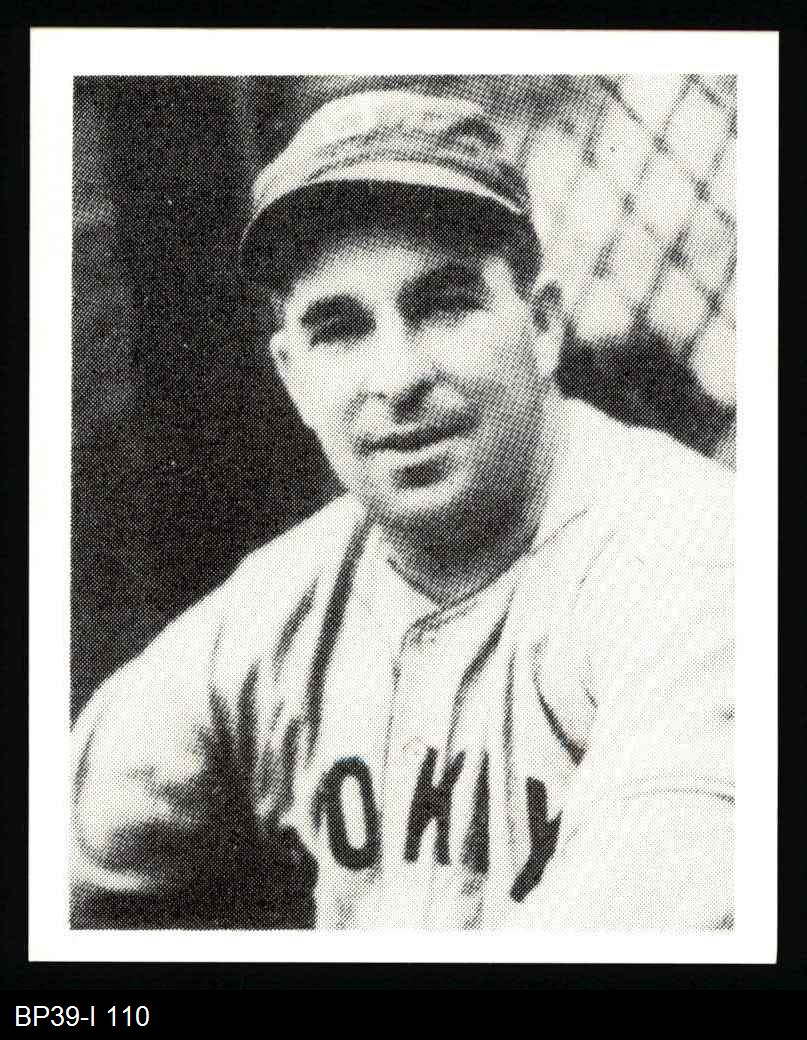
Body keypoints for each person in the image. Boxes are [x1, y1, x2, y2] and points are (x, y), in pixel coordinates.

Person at [71, 89, 734, 931]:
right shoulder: (277, 608)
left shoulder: (692, 561)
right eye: (339, 328)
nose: (396, 378)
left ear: (541, 326)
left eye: (443, 304)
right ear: (293, 377)